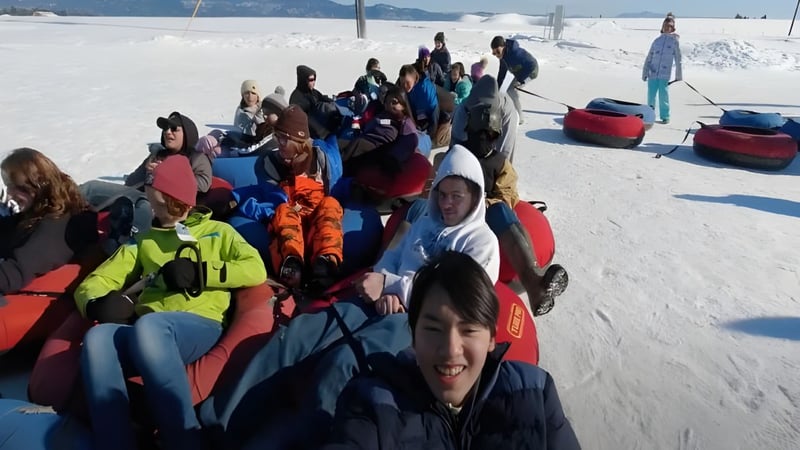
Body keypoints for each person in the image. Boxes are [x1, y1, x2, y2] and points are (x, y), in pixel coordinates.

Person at [74, 154, 266, 450]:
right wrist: (97, 304)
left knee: (151, 327)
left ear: (167, 196)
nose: (146, 193)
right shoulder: (144, 241)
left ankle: (185, 441)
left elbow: (256, 269)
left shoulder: (218, 231)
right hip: (148, 330)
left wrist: (202, 273)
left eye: (152, 188)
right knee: (99, 336)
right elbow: (96, 282)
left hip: (200, 324)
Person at [323, 251, 582, 449]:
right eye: (434, 329)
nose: (450, 350)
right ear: (413, 335)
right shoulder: (372, 403)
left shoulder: (535, 392)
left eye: (469, 330)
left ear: (492, 337)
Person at [455, 77, 569, 316]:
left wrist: (489, 203)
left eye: (490, 135)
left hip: (486, 210)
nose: (484, 139)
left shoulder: (499, 160)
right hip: (458, 213)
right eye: (480, 133)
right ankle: (529, 283)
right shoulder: (458, 157)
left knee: (504, 213)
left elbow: (508, 189)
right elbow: (442, 185)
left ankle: (534, 282)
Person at [353, 144, 499, 315]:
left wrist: (391, 286)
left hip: (427, 326)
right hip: (386, 302)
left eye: (456, 196)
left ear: (475, 199)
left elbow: (454, 299)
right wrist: (386, 289)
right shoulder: (424, 223)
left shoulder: (481, 242)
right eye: (442, 195)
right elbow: (393, 255)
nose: (445, 204)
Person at [80, 111, 211, 248]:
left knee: (144, 207)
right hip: (140, 196)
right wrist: (145, 170)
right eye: (165, 129)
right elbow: (130, 182)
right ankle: (61, 202)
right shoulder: (158, 155)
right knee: (91, 188)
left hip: (169, 207)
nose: (167, 132)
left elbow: (204, 183)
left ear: (187, 134)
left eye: (174, 129)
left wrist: (169, 175)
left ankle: (118, 249)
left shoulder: (197, 158)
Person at [263, 105, 344, 291]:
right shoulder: (272, 164)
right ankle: (292, 265)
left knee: (331, 204)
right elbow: (267, 198)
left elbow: (336, 188)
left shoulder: (320, 161)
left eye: (285, 139)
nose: (279, 143)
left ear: (299, 141)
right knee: (283, 211)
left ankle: (326, 264)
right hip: (292, 217)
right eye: (278, 137)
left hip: (317, 217)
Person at [0, 148, 96, 294]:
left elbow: (12, 276)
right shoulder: (46, 209)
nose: (9, 194)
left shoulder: (54, 228)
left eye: (13, 187)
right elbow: (11, 228)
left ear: (35, 186)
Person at [340, 84, 417, 177]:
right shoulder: (381, 111)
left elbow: (407, 142)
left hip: (376, 151)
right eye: (388, 102)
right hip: (363, 139)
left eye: (395, 102)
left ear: (403, 105)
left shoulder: (405, 123)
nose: (391, 105)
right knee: (338, 144)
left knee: (356, 146)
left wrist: (393, 159)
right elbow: (365, 123)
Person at [452, 74, 518, 162]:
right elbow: (456, 145)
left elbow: (504, 151)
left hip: (501, 123)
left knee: (500, 164)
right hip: (472, 129)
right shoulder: (463, 108)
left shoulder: (507, 110)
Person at [642, 13, 682, 124]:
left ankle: (665, 116)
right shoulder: (656, 41)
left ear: (672, 28)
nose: (666, 28)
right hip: (653, 73)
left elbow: (678, 59)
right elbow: (649, 57)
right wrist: (645, 71)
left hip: (664, 74)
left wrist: (679, 75)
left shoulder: (674, 42)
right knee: (651, 96)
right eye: (665, 26)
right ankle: (650, 115)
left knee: (663, 96)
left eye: (669, 26)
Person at [490, 35, 539, 125]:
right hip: (519, 72)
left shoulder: (516, 54)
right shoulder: (503, 57)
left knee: (512, 90)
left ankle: (519, 118)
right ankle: (507, 110)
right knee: (504, 90)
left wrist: (521, 81)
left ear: (503, 47)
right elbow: (502, 72)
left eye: (497, 52)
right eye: (494, 53)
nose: (497, 55)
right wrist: (498, 88)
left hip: (531, 72)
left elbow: (532, 65)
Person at [289, 65, 341, 139]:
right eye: (311, 80)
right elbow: (300, 119)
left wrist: (336, 102)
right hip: (311, 133)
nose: (313, 82)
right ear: (303, 80)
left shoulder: (313, 92)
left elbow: (323, 98)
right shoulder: (296, 97)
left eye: (314, 79)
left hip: (324, 128)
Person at [233, 79, 267, 144]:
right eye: (247, 93)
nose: (250, 97)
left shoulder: (264, 108)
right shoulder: (241, 111)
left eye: (253, 93)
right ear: (243, 96)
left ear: (258, 96)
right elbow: (240, 131)